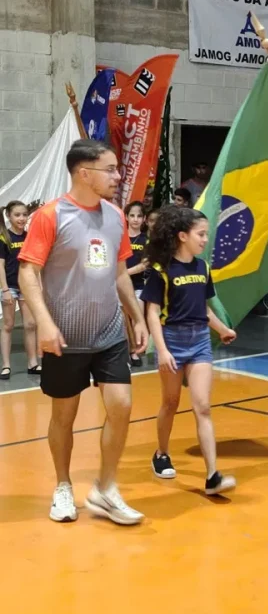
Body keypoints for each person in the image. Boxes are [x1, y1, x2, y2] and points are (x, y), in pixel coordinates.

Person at [18, 139, 148, 525]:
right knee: (64, 415)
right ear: (84, 173)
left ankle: (106, 488)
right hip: (65, 336)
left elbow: (119, 272)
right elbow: (28, 272)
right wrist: (44, 322)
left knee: (121, 405)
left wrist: (137, 316)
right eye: (110, 169)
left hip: (109, 332)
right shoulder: (50, 215)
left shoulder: (116, 216)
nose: (117, 176)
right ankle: (63, 485)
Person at [141, 205, 237, 494]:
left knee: (203, 406)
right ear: (182, 236)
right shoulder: (162, 270)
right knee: (170, 403)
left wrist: (222, 329)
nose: (205, 239)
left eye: (206, 234)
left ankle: (212, 476)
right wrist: (162, 350)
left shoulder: (202, 268)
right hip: (172, 340)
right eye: (201, 234)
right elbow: (152, 312)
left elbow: (203, 309)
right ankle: (161, 453)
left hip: (200, 343)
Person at [0, 200, 40, 379]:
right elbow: (0, 266)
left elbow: (33, 264)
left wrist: (37, 286)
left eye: (24, 215)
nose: (22, 218)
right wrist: (5, 290)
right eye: (17, 215)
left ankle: (33, 363)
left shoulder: (29, 237)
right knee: (8, 325)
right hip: (10, 287)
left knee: (30, 325)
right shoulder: (4, 238)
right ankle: (6, 365)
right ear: (9, 216)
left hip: (26, 287)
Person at [124, 201, 147, 367]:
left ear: (144, 219)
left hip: (138, 286)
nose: (135, 219)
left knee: (137, 317)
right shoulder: (119, 237)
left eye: (139, 216)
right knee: (122, 321)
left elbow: (145, 264)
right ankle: (127, 351)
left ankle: (136, 350)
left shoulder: (146, 240)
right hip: (119, 287)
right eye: (132, 215)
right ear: (126, 217)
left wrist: (124, 273)